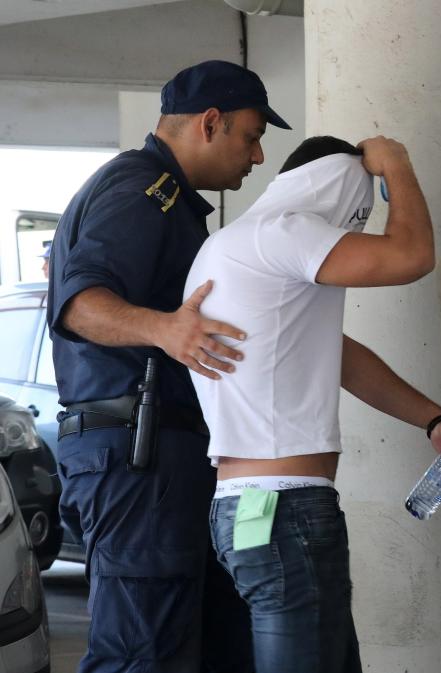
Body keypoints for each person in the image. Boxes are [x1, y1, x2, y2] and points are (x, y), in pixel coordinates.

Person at [186, 135, 441, 673]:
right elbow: (412, 255)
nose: (356, 228)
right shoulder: (282, 232)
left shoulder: (236, 247)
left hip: (255, 507)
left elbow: (334, 355)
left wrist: (433, 417)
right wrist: (397, 162)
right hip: (284, 511)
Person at [47, 60, 291, 673]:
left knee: (198, 649)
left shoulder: (170, 200)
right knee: (142, 655)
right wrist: (163, 328)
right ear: (210, 123)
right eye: (252, 136)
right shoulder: (141, 191)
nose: (257, 157)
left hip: (166, 459)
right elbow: (78, 303)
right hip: (138, 457)